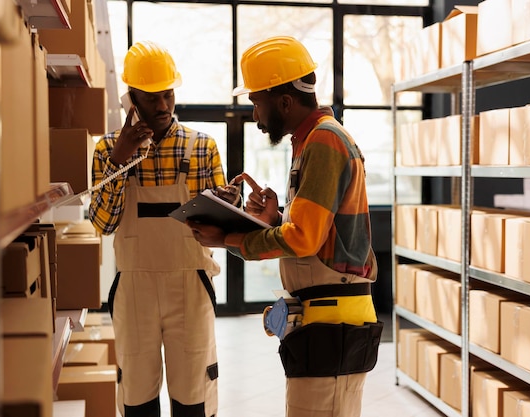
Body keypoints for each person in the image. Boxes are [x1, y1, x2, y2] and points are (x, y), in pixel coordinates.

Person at [187, 35, 383, 417]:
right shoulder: (310, 141)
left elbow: (305, 239)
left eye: (257, 104)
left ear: (285, 101)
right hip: (323, 319)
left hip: (333, 320)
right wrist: (277, 218)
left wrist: (229, 237)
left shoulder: (325, 141)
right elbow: (320, 233)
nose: (256, 118)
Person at [89, 40, 238, 417]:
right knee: (137, 396)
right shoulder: (108, 150)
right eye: (151, 98)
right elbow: (104, 224)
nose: (162, 106)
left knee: (193, 396)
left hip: (189, 284)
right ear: (131, 99)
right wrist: (120, 161)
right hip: (134, 288)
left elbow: (220, 231)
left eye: (168, 95)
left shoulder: (202, 146)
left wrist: (228, 207)